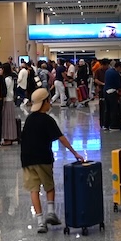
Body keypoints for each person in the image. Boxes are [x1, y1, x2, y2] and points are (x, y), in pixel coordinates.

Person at [20, 88, 84, 233]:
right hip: (43, 157)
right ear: (44, 102)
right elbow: (61, 138)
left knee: (34, 189)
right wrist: (75, 153)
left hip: (27, 159)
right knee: (49, 185)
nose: (50, 103)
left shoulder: (29, 119)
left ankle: (40, 222)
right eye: (49, 101)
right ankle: (50, 212)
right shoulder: (47, 120)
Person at [102, 59, 121, 131]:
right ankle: (113, 126)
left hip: (105, 91)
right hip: (112, 92)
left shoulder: (108, 71)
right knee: (113, 109)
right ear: (118, 67)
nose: (120, 70)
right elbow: (118, 85)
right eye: (120, 68)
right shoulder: (115, 73)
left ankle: (106, 125)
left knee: (107, 109)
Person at [1, 62, 20, 145]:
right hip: (10, 100)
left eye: (1, 69)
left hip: (7, 101)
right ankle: (9, 137)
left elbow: (5, 91)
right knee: (9, 120)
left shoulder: (7, 79)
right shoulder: (10, 78)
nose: (0, 71)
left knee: (7, 120)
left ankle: (8, 138)